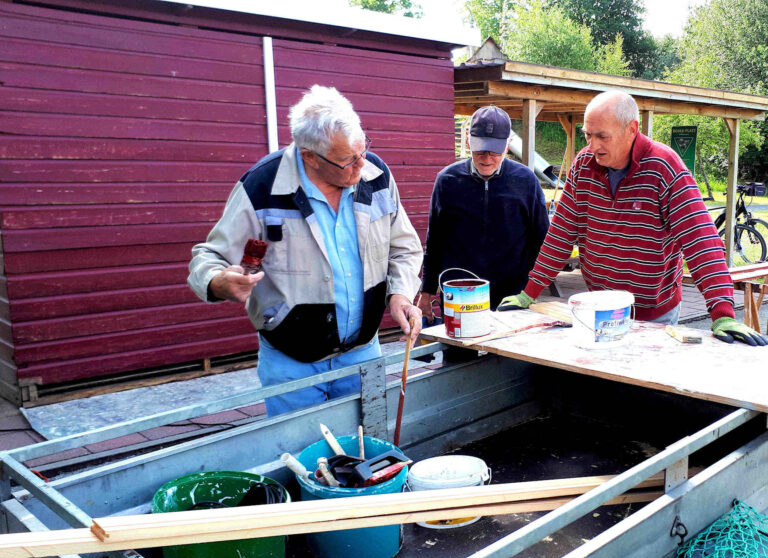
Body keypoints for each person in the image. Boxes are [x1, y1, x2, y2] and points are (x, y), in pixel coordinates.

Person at [188, 85, 425, 416]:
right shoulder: (261, 186)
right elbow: (207, 257)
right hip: (290, 359)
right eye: (348, 160)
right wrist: (217, 281)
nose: (361, 165)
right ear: (309, 156)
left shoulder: (375, 175)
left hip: (362, 351)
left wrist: (400, 293)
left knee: (365, 452)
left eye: (363, 150)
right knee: (300, 458)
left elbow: (405, 247)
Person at [498, 90, 766, 346]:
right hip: (601, 305)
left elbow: (702, 243)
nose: (592, 146)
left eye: (602, 136)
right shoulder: (583, 166)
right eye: (587, 135)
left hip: (655, 311)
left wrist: (722, 314)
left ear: (632, 129)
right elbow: (561, 233)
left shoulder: (664, 168)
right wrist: (529, 292)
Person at [417, 105, 550, 320]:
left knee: (510, 353)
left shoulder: (526, 181)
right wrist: (427, 290)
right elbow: (435, 241)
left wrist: (532, 289)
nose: (486, 158)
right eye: (480, 150)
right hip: (459, 291)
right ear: (469, 141)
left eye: (495, 151)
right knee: (458, 353)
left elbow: (542, 239)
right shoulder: (447, 181)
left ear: (507, 146)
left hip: (512, 292)